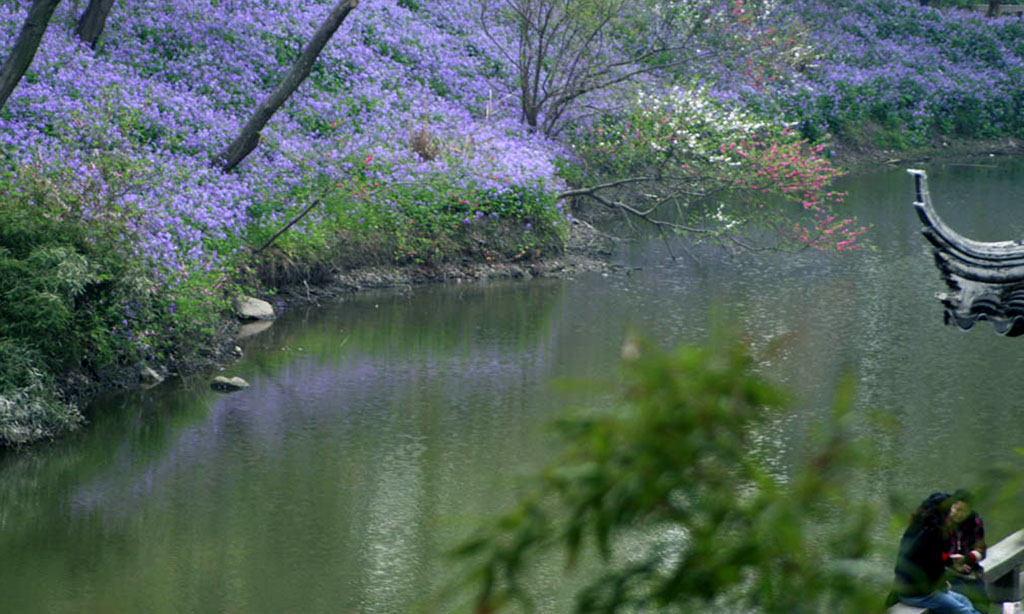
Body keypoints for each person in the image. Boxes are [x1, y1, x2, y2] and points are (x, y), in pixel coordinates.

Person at [890, 491, 980, 614]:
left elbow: (929, 558)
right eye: (951, 509)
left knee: (963, 600)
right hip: (918, 594)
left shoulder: (917, 526)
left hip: (912, 589)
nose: (953, 513)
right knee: (965, 610)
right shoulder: (934, 534)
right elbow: (933, 566)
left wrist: (950, 561)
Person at [947, 488, 989, 612]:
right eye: (956, 509)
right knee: (959, 601)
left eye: (964, 511)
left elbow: (981, 550)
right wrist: (950, 561)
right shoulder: (940, 522)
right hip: (945, 571)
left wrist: (967, 559)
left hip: (969, 569)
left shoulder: (974, 522)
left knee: (982, 601)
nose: (959, 514)